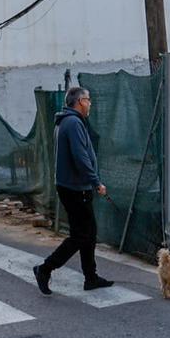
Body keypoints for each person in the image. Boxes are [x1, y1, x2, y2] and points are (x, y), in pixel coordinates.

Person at [33, 86, 114, 294]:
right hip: (77, 189)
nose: (90, 104)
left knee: (89, 233)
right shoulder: (73, 123)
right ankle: (45, 269)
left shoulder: (66, 121)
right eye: (88, 100)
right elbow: (81, 158)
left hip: (71, 186)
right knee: (80, 235)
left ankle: (91, 277)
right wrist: (96, 182)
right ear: (79, 102)